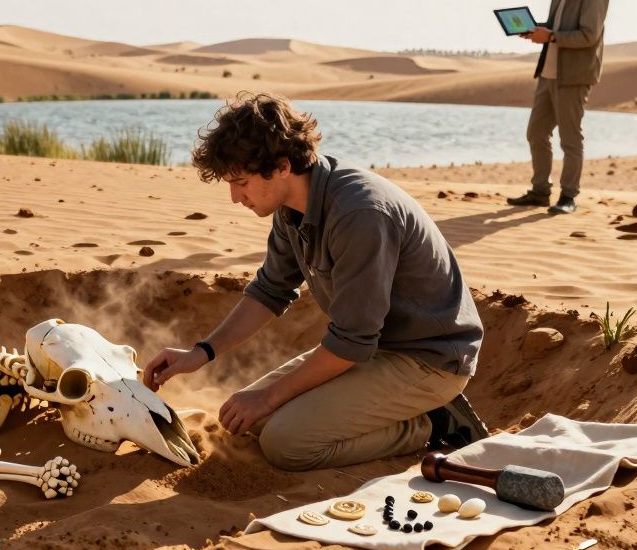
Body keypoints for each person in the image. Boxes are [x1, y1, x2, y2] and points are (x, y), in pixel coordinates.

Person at [143, 92, 488, 471]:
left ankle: (430, 424)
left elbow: (352, 339)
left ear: (282, 166)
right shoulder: (291, 205)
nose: (234, 197)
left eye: (241, 182)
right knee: (251, 421)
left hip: (429, 361)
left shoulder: (360, 214)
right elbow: (270, 291)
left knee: (286, 443)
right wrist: (200, 353)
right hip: (375, 350)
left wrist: (271, 397)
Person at [507, 0, 610, 215]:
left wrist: (550, 35)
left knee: (570, 138)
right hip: (548, 74)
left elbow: (589, 35)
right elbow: (555, 28)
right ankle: (540, 191)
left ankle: (568, 196)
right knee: (536, 133)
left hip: (574, 76)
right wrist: (535, 29)